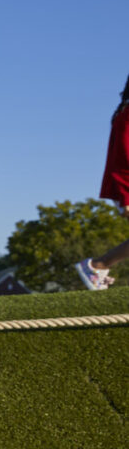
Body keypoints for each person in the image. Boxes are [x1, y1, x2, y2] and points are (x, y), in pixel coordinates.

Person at [75, 74, 129, 290]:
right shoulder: (126, 113)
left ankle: (98, 267)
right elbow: (125, 155)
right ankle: (96, 266)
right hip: (125, 182)